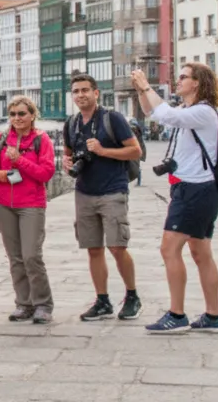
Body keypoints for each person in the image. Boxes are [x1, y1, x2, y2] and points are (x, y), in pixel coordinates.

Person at [132, 64, 218, 334]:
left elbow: (166, 115)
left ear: (197, 83)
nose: (179, 80)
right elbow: (153, 113)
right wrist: (141, 90)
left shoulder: (203, 112)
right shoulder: (189, 111)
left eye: (184, 77)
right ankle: (213, 316)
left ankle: (177, 315)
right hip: (195, 189)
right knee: (200, 253)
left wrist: (147, 86)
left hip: (194, 190)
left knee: (169, 249)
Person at [62, 73, 143, 321]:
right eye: (76, 91)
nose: (81, 95)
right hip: (84, 192)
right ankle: (103, 300)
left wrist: (102, 150)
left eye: (85, 90)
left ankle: (132, 296)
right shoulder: (72, 123)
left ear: (96, 93)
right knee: (93, 249)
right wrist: (67, 163)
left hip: (112, 190)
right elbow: (68, 154)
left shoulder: (112, 118)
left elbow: (135, 151)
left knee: (117, 246)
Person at [0, 96, 56, 323]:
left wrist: (19, 161)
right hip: (3, 204)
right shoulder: (1, 139)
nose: (17, 118)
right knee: (15, 258)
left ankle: (43, 304)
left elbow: (45, 173)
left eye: (22, 114)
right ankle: (23, 303)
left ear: (32, 115)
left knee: (31, 256)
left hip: (31, 205)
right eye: (13, 114)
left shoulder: (41, 140)